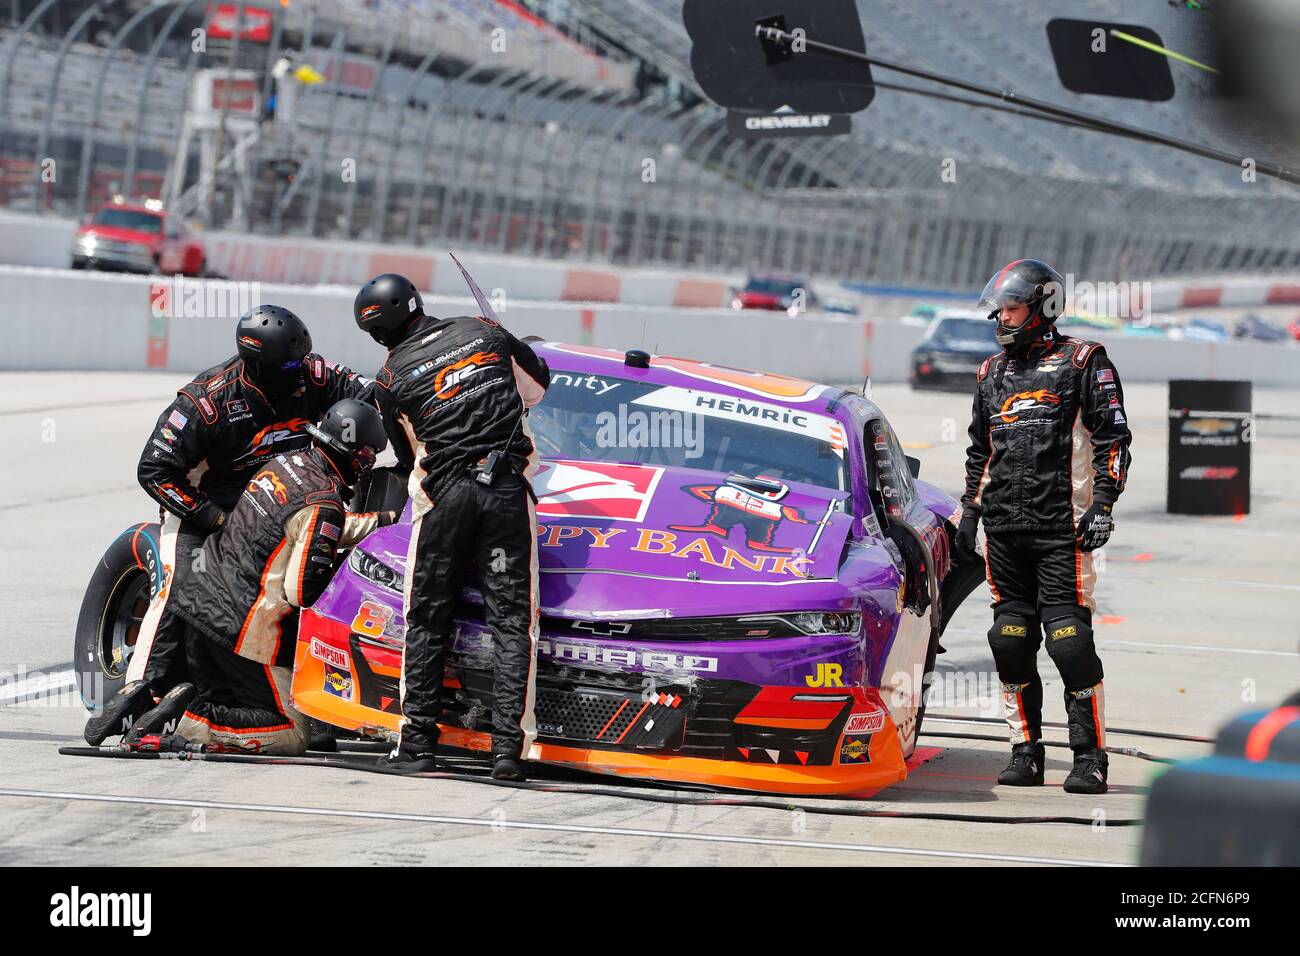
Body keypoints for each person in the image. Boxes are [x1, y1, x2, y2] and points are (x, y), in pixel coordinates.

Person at [84, 305, 373, 746]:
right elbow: (154, 471)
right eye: (290, 367)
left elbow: (371, 397)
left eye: (303, 362)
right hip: (207, 510)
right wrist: (215, 519)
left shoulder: (315, 374)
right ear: (258, 366)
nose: (301, 374)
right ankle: (138, 694)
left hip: (276, 505)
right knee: (183, 585)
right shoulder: (206, 401)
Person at [354, 273, 550, 780]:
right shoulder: (485, 330)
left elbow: (405, 455)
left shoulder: (389, 378)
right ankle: (508, 753)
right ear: (419, 303)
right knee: (513, 624)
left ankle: (417, 745)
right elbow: (538, 387)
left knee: (425, 619)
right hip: (505, 491)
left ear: (377, 333)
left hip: (444, 499)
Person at [125, 399, 396, 754]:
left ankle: (188, 702)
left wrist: (385, 521)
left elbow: (305, 524)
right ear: (349, 453)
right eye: (366, 456)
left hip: (197, 608)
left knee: (247, 709)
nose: (368, 465)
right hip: (241, 631)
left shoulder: (285, 463)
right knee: (292, 735)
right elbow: (301, 590)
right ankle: (189, 721)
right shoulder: (325, 503)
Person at [954, 259, 1132, 795]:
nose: (1001, 319)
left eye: (1011, 308)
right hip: (1005, 533)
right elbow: (979, 452)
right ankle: (1026, 752)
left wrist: (1103, 506)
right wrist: (969, 514)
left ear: (1043, 306)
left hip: (1064, 532)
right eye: (999, 310)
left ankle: (1090, 758)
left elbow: (1114, 442)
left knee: (1069, 643)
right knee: (1008, 641)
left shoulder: (1085, 362)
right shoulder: (990, 374)